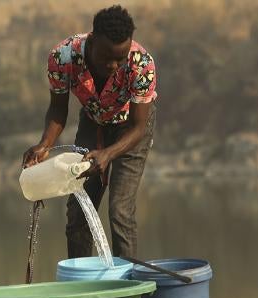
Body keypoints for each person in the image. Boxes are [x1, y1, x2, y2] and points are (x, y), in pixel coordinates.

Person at [22, 5, 157, 259]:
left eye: (120, 58)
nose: (114, 65)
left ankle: (127, 287)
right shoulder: (62, 58)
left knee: (120, 212)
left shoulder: (142, 64)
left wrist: (107, 154)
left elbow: (139, 127)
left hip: (131, 130)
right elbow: (57, 111)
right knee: (78, 212)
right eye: (106, 57)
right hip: (93, 121)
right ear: (92, 41)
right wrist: (44, 144)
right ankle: (81, 284)